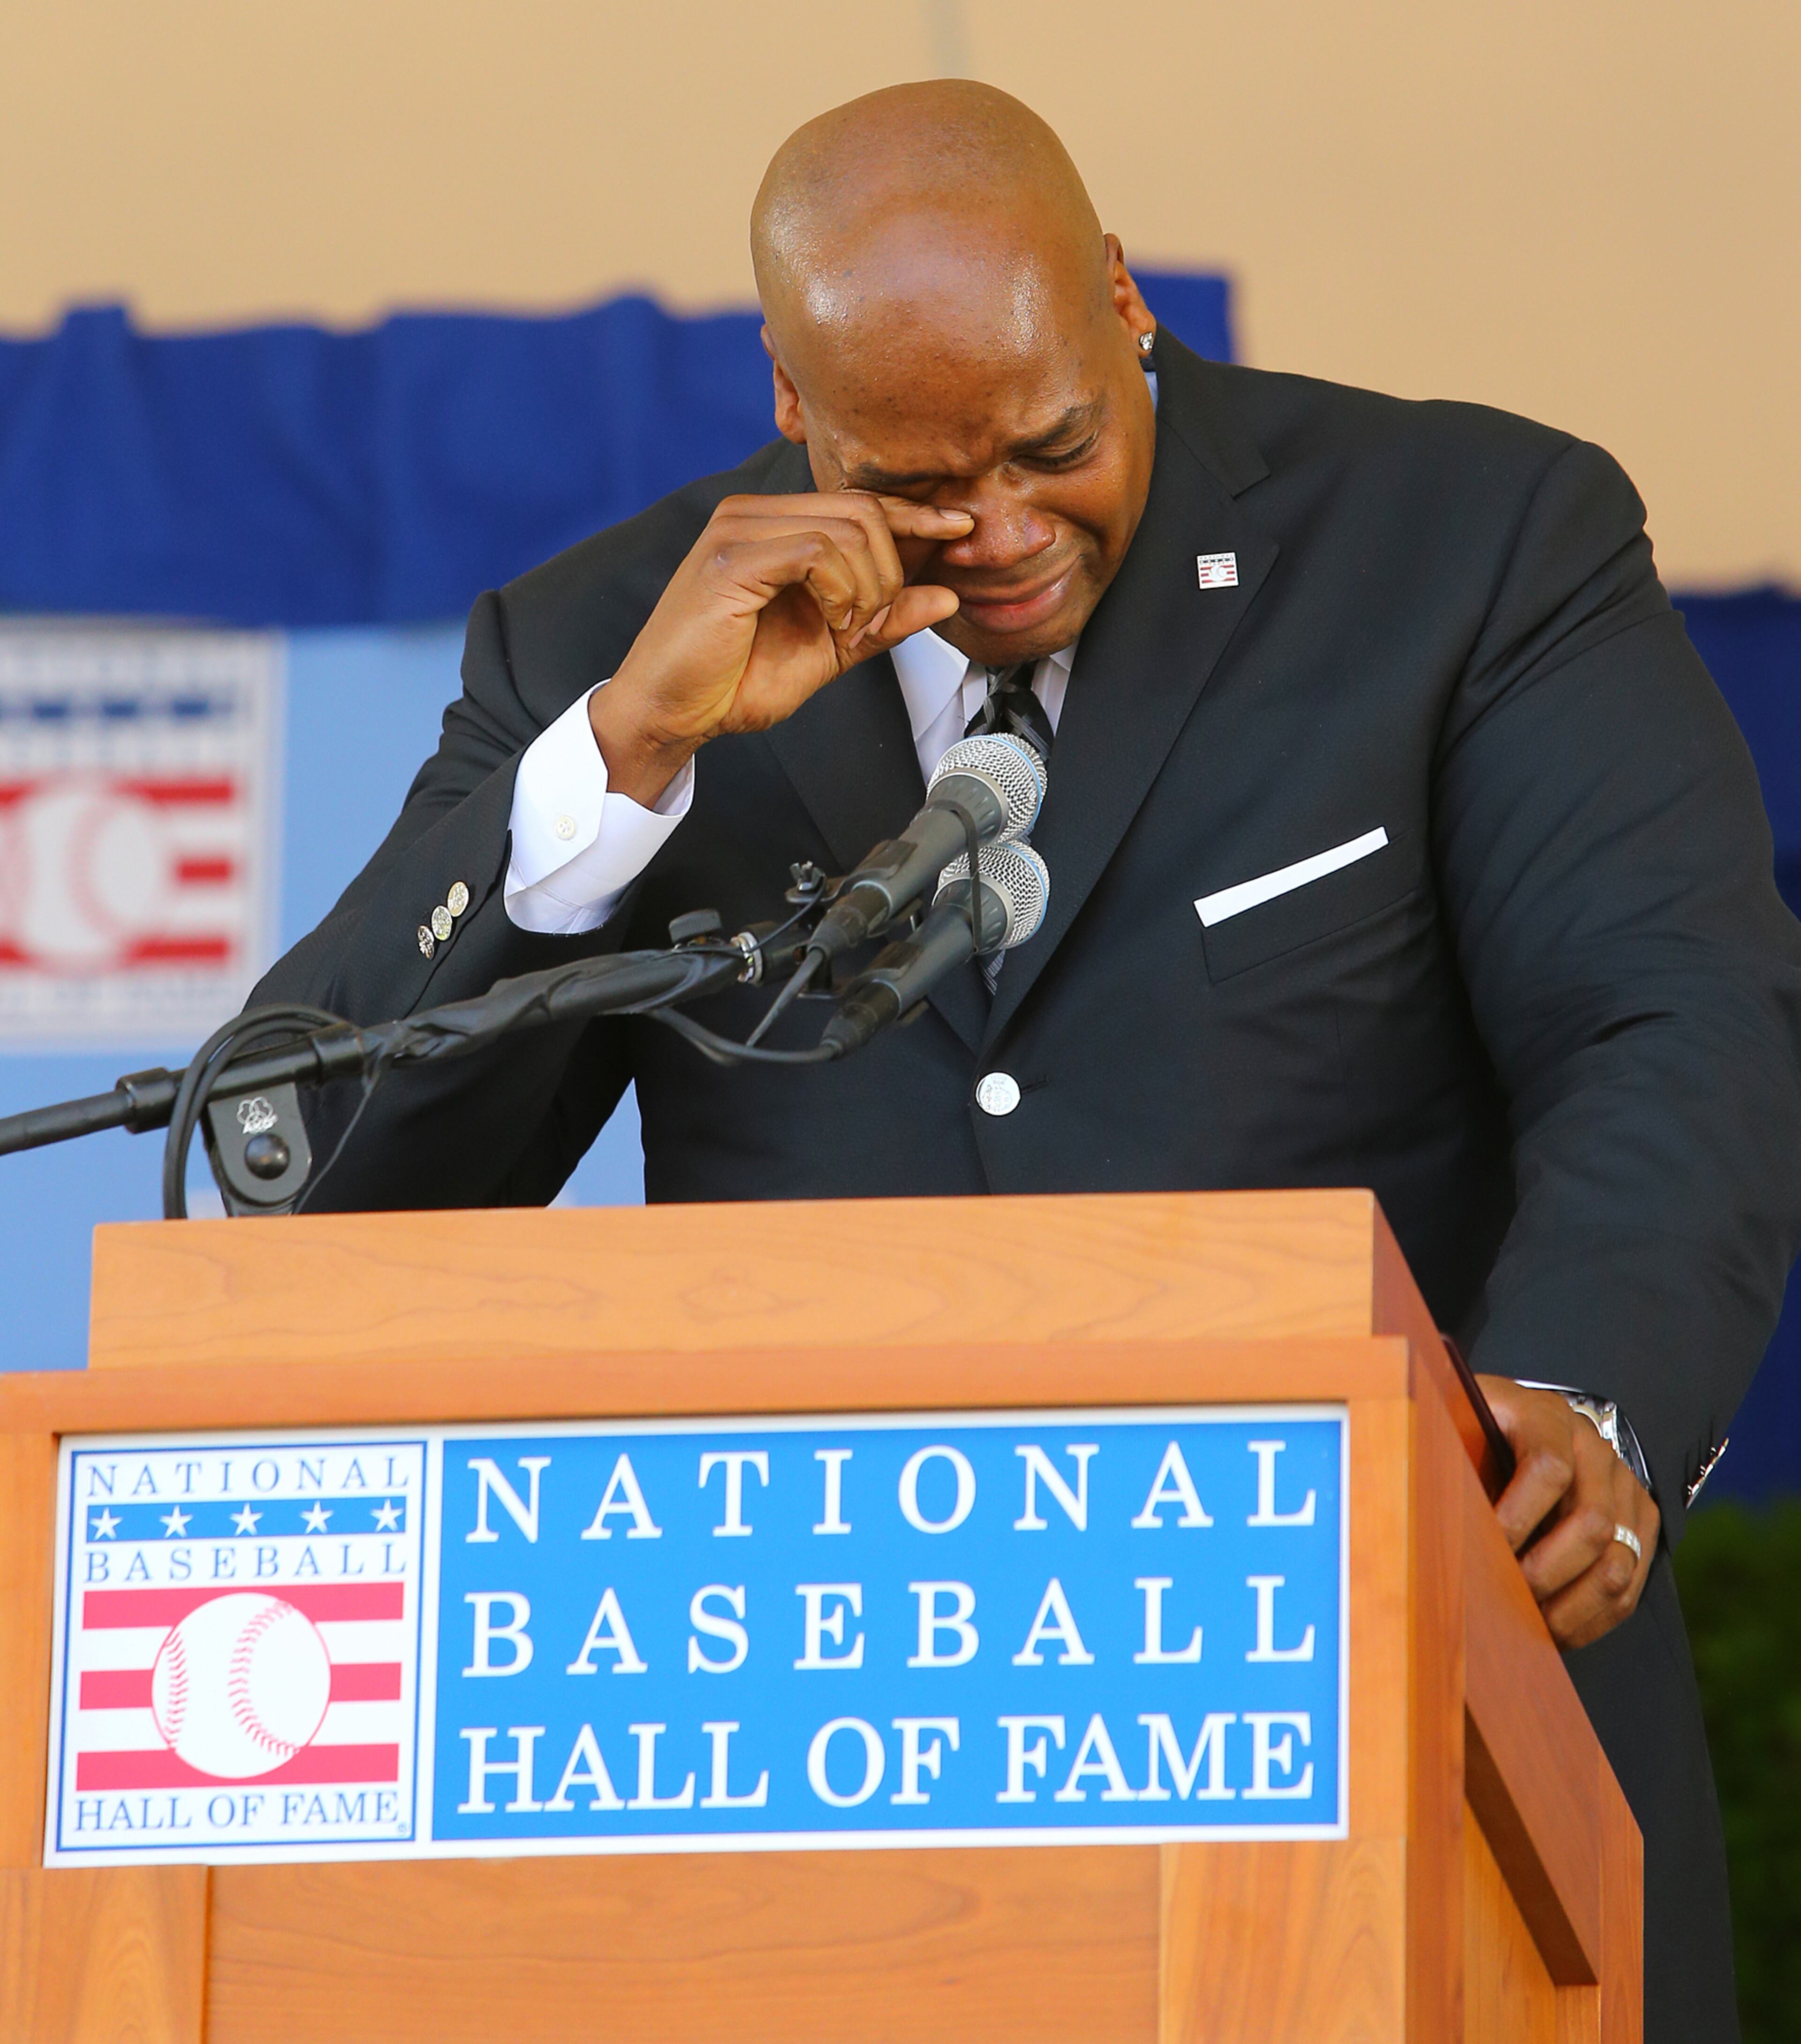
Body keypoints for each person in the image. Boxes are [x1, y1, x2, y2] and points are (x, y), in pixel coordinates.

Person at [254, 80, 1801, 2036]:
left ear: (1124, 298)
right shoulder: (613, 647)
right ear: (793, 400)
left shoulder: (1473, 545)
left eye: (1053, 444)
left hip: (1417, 1740)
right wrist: (622, 768)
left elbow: (1667, 1012)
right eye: (921, 482)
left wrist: (1586, 1393)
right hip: (841, 1832)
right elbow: (293, 1177)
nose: (1000, 532)